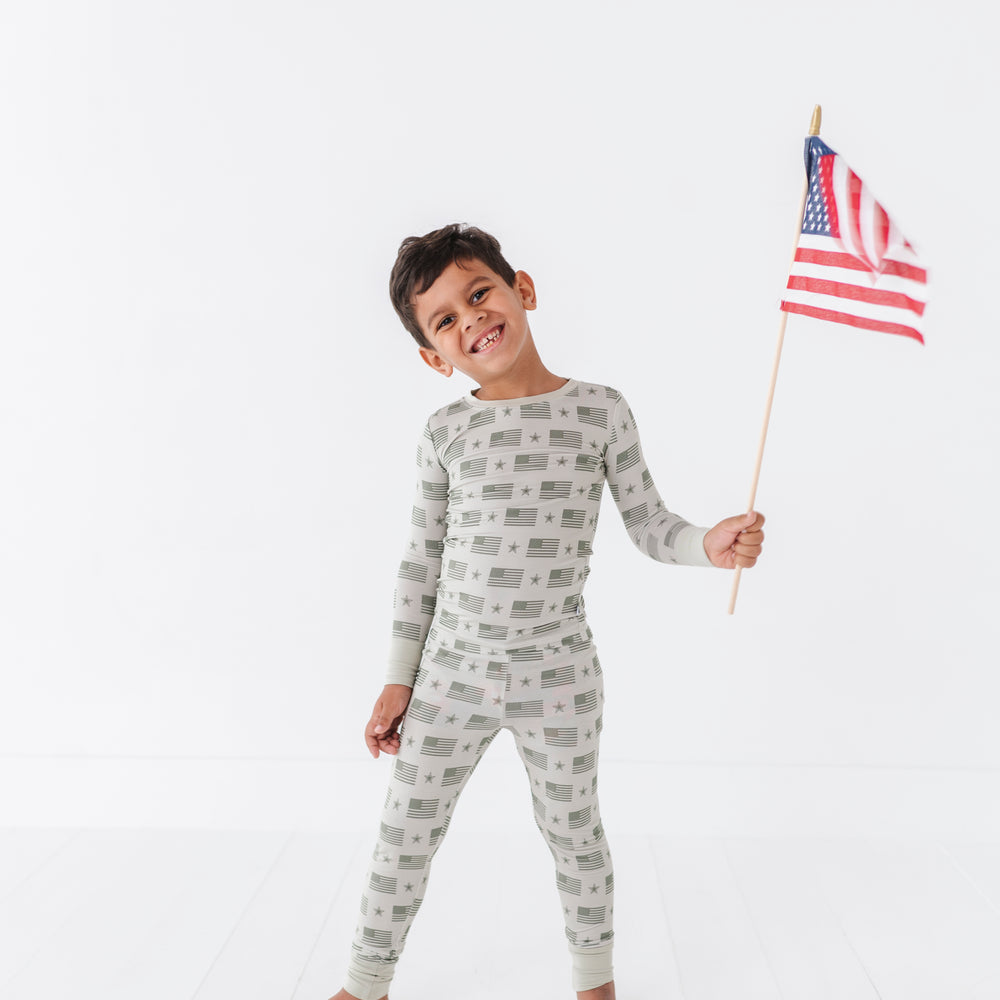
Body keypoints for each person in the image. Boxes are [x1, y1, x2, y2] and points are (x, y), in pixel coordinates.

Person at [329, 224, 765, 1000]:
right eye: (446, 320)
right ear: (434, 357)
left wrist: (710, 544)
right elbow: (420, 564)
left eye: (479, 293)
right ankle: (365, 985)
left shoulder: (600, 412)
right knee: (405, 833)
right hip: (450, 677)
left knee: (574, 833)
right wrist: (399, 681)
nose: (472, 318)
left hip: (558, 676)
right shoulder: (445, 433)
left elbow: (650, 525)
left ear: (521, 289)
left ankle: (595, 984)